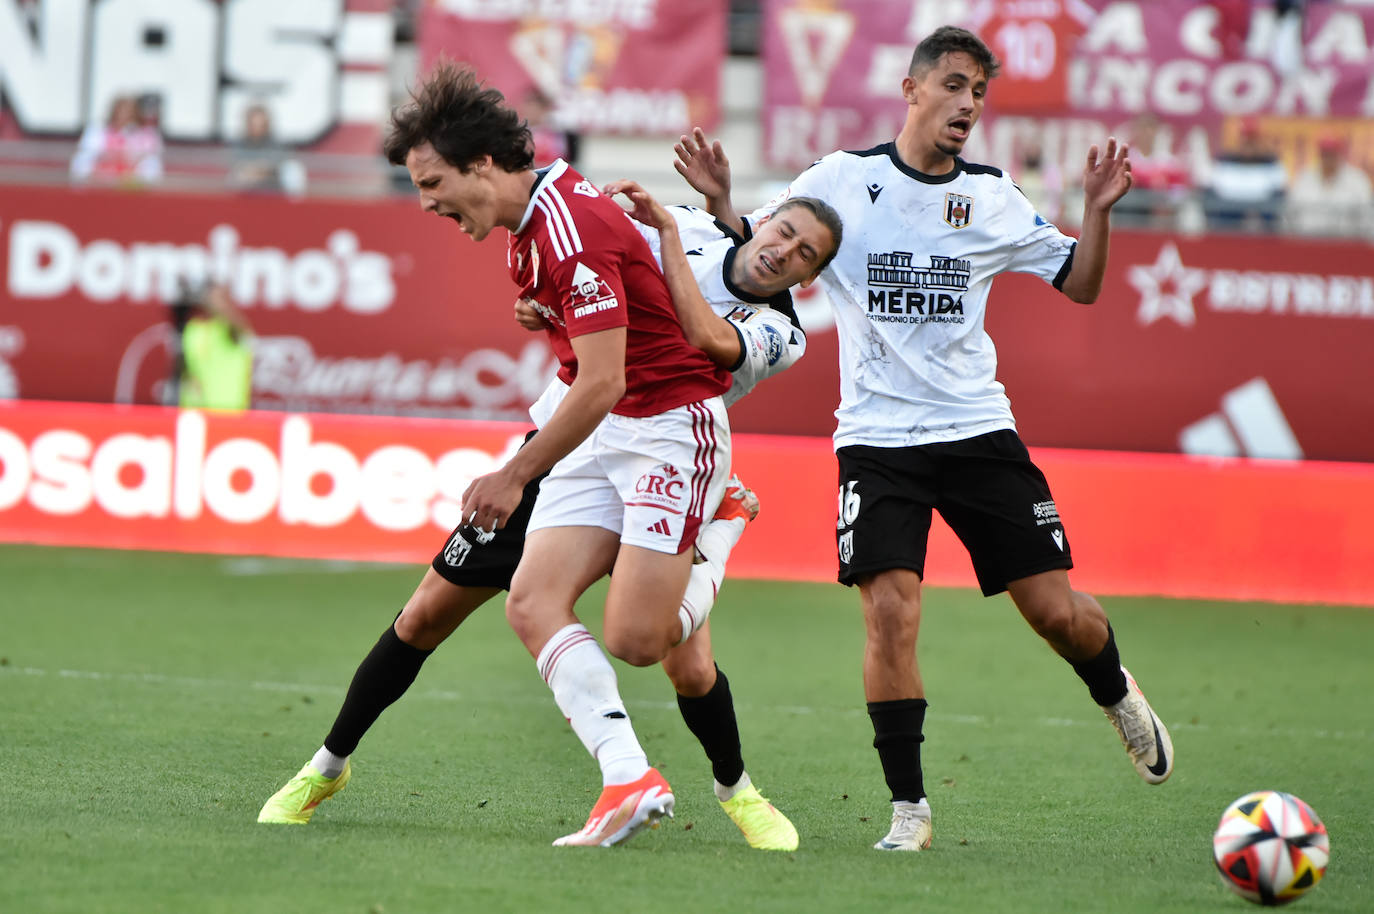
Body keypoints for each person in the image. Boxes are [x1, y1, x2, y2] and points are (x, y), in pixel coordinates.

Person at [257, 62, 840, 850]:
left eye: (432, 182)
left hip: (666, 431)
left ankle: (734, 763)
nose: (425, 201)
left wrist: (514, 471)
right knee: (488, 604)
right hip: (583, 428)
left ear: (484, 165)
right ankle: (618, 777)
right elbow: (618, 314)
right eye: (779, 230)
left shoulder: (778, 329)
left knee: (659, 651)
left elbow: (674, 349)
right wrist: (560, 304)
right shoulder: (584, 227)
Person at [676, 25, 1173, 852]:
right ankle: (909, 809)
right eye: (952, 85)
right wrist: (727, 204)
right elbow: (765, 252)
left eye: (978, 92)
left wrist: (1094, 212)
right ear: (911, 91)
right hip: (875, 439)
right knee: (890, 616)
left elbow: (1080, 286)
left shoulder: (991, 196)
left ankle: (1115, 689)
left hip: (977, 429)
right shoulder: (842, 179)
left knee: (1057, 614)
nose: (967, 104)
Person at [172, 282, 254, 411]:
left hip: (229, 411)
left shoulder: (230, 331)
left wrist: (218, 304)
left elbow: (241, 332)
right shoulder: (193, 329)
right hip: (195, 412)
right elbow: (186, 369)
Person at [1286, 134, 1372, 239]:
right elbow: (1290, 213)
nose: (1328, 158)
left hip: (1346, 243)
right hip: (1308, 241)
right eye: (1325, 153)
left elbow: (1367, 216)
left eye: (1332, 153)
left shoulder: (1357, 180)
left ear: (1340, 154)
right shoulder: (1305, 177)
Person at [70, 94, 163, 186]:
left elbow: (149, 162)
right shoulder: (97, 130)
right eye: (120, 111)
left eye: (128, 112)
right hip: (100, 181)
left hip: (131, 183)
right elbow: (85, 156)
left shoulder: (145, 134)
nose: (123, 115)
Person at [228, 103, 306, 196]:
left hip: (273, 184)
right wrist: (253, 171)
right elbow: (238, 165)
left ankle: (294, 208)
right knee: (233, 178)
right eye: (254, 124)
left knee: (293, 169)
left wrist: (260, 170)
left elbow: (276, 164)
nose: (257, 128)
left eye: (261, 124)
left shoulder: (275, 142)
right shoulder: (240, 143)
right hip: (248, 184)